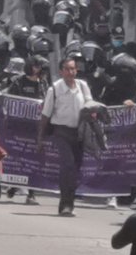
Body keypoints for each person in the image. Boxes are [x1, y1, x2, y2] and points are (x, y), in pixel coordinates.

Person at [39, 56, 95, 215]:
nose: (71, 72)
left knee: (76, 169)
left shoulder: (83, 86)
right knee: (68, 165)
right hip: (61, 133)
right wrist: (40, 139)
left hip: (80, 133)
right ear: (61, 71)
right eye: (68, 69)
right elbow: (45, 116)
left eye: (73, 69)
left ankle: (70, 200)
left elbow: (90, 106)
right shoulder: (54, 89)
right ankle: (65, 204)